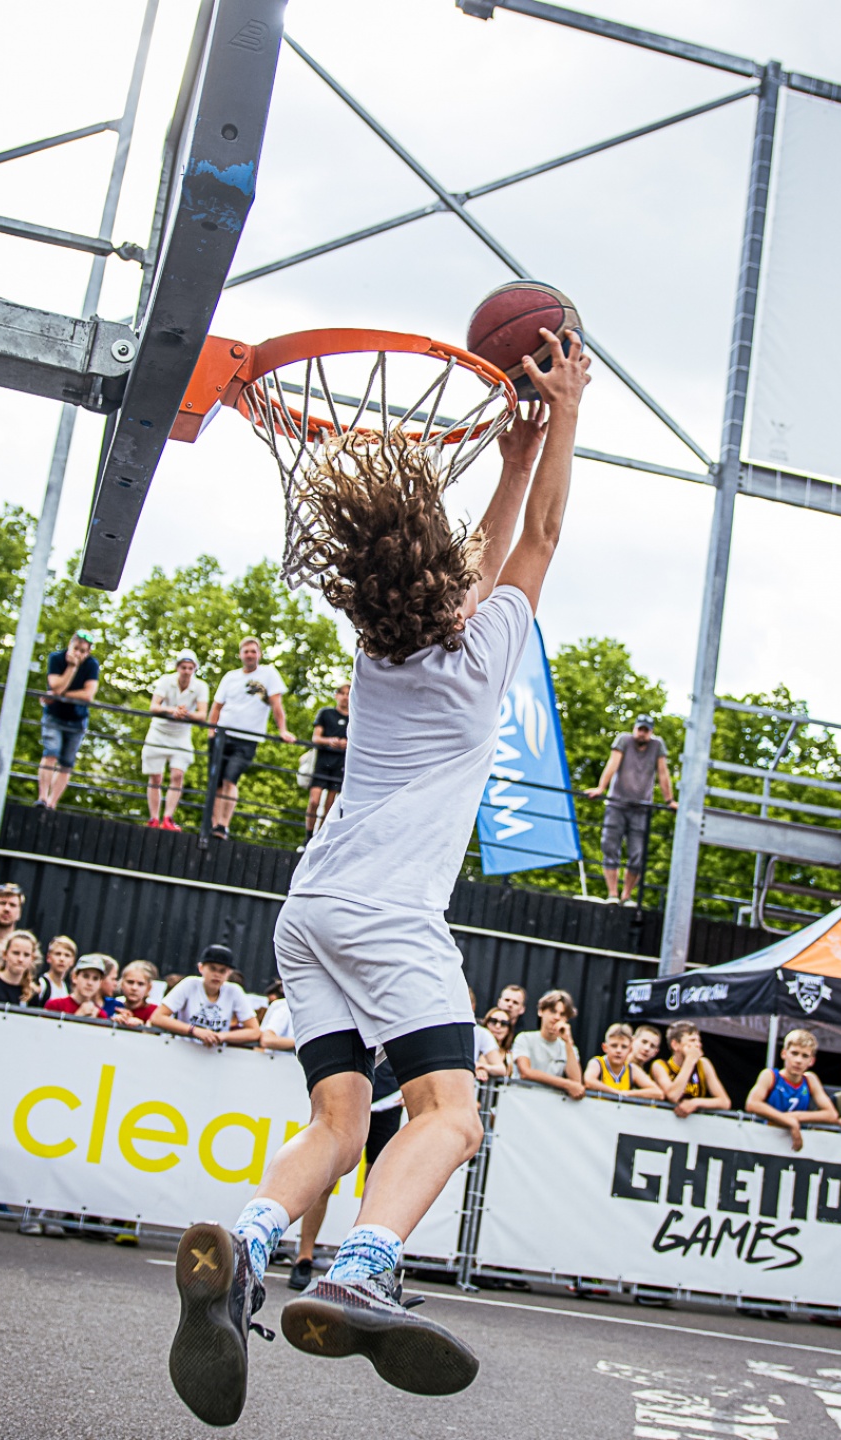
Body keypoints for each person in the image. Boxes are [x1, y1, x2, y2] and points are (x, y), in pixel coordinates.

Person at [168, 340, 590, 1423]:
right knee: (450, 1116)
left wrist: (516, 457)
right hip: (386, 915)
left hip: (308, 913)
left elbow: (489, 558)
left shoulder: (378, 656)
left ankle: (247, 1246)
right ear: (444, 582)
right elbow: (535, 541)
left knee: (340, 1120)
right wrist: (562, 415)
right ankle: (359, 1270)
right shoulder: (478, 663)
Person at [205, 636, 294, 840]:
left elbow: (277, 705)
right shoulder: (230, 677)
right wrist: (211, 732)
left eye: (253, 651)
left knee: (230, 778)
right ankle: (213, 825)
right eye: (246, 651)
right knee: (216, 782)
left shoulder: (269, 674)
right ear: (240, 655)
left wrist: (283, 730)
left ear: (259, 654)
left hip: (247, 739)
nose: (250, 655)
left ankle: (224, 825)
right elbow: (217, 706)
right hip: (222, 734)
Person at [583, 714, 673, 905]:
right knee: (609, 847)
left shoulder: (657, 746)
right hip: (617, 804)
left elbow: (663, 773)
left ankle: (627, 896)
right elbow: (612, 764)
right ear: (634, 729)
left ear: (651, 732)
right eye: (640, 729)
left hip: (641, 809)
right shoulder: (624, 740)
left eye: (646, 731)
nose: (642, 734)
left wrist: (669, 800)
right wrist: (601, 788)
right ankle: (612, 894)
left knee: (637, 855)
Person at [142, 649, 208, 831]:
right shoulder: (166, 681)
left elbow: (202, 714)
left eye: (190, 668)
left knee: (178, 775)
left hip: (181, 736)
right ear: (178, 667)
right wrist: (172, 710)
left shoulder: (201, 686)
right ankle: (153, 818)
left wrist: (185, 713)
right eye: (183, 667)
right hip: (159, 732)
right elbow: (154, 706)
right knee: (156, 776)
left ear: (194, 669)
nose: (186, 671)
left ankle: (168, 818)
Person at [744, 1029, 840, 1152]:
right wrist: (788, 1121)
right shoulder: (771, 1076)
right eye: (794, 1053)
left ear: (811, 1061)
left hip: (791, 1147)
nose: (798, 1060)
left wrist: (793, 1118)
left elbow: (831, 1114)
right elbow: (752, 1104)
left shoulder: (810, 1080)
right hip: (762, 1141)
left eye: (805, 1056)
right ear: (784, 1053)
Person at [151, 943, 261, 1046]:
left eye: (222, 971)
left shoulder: (234, 991)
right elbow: (157, 1017)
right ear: (201, 968)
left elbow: (254, 1031)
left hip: (216, 1052)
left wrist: (222, 1036)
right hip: (184, 1048)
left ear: (229, 973)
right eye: (212, 969)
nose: (217, 975)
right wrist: (194, 1030)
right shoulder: (190, 984)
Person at [37, 630, 99, 810]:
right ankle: (42, 798)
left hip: (77, 720)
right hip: (54, 716)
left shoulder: (91, 665)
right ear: (70, 645)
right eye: (76, 648)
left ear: (88, 652)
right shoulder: (56, 658)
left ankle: (52, 803)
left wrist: (60, 695)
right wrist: (72, 667)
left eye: (83, 651)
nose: (78, 653)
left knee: (66, 763)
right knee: (50, 753)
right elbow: (55, 685)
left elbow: (88, 695)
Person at [510, 989, 586, 1098]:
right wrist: (566, 1084)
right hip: (521, 1099)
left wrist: (568, 1042)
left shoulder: (569, 1047)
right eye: (552, 1011)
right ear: (540, 1011)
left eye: (562, 1014)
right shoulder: (524, 1038)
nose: (557, 1017)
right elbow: (525, 1072)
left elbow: (576, 1084)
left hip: (549, 1103)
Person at [650, 1022, 730, 1119]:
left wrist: (695, 1102)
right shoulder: (660, 1065)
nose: (698, 1045)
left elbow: (724, 1102)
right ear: (675, 1045)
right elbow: (673, 1096)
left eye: (698, 1041)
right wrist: (690, 1060)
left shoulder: (703, 1064)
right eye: (692, 1040)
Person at [306, 681, 350, 842]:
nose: (345, 697)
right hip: (323, 761)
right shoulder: (326, 713)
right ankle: (308, 836)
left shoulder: (355, 718)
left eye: (348, 694)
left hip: (341, 764)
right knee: (314, 801)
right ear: (336, 695)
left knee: (330, 805)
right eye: (342, 693)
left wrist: (347, 743)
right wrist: (329, 741)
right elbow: (316, 737)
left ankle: (319, 838)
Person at [583, 1022, 661, 1097]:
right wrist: (616, 1093)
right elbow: (589, 1081)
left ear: (630, 1049)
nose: (619, 1050)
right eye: (614, 1045)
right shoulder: (597, 1063)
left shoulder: (632, 1069)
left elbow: (658, 1093)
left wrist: (628, 1094)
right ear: (605, 1047)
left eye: (624, 1047)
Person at [46, 953, 112, 1018]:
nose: (90, 983)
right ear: (75, 977)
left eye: (95, 978)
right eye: (85, 976)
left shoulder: (100, 1015)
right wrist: (77, 1017)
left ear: (100, 983)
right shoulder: (55, 1006)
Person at [110, 960, 160, 1027]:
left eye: (140, 984)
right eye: (130, 982)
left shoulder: (155, 1012)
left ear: (148, 988)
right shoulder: (112, 1005)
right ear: (121, 984)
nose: (134, 988)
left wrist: (141, 1026)